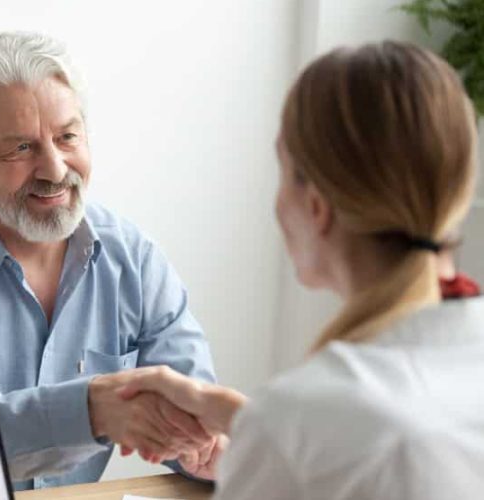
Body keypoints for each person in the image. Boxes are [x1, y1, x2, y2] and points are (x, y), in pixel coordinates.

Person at [118, 41, 484, 499]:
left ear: (316, 207)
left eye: (283, 168)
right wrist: (245, 419)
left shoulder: (303, 422)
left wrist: (269, 429)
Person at [0, 31, 218, 490]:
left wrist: (206, 448)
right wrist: (93, 410)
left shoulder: (134, 259)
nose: (54, 169)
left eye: (67, 137)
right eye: (21, 148)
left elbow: (195, 415)